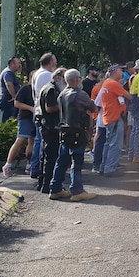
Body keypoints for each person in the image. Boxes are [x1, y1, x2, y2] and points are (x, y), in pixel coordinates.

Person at [48, 69, 98, 201]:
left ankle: (55, 188)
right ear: (77, 79)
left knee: (62, 161)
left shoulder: (62, 94)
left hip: (64, 131)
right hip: (77, 131)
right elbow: (93, 108)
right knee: (77, 161)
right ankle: (77, 190)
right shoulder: (80, 94)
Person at [36, 68, 66, 193]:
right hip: (51, 127)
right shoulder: (52, 89)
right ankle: (48, 185)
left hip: (48, 126)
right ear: (58, 77)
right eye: (64, 79)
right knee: (51, 157)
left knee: (46, 156)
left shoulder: (48, 87)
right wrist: (65, 105)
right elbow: (49, 108)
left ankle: (43, 184)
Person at [2, 71, 37, 177]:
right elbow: (16, 103)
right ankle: (8, 164)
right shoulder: (25, 89)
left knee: (32, 141)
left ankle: (30, 164)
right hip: (25, 117)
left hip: (35, 118)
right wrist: (30, 108)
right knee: (20, 140)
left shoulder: (38, 89)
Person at [99, 64, 131, 176]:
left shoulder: (107, 83)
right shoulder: (113, 84)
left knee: (109, 143)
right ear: (115, 71)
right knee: (115, 144)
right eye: (120, 70)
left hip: (109, 117)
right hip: (115, 117)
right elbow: (128, 96)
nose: (122, 72)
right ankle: (110, 168)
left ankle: (104, 166)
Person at [30, 53, 58, 179]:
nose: (56, 64)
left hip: (37, 109)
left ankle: (35, 168)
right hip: (44, 112)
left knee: (38, 140)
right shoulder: (47, 75)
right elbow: (49, 93)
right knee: (44, 143)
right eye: (54, 61)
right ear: (51, 62)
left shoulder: (37, 73)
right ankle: (42, 170)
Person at [0, 57, 22, 122]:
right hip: (8, 100)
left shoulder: (10, 73)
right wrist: (14, 97)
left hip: (8, 100)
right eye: (18, 63)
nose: (20, 65)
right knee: (9, 121)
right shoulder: (8, 73)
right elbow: (9, 84)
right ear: (12, 64)